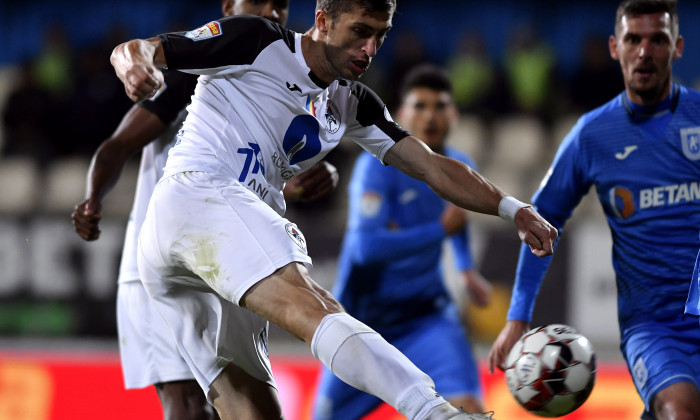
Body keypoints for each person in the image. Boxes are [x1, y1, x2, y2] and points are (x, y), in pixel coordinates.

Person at [111, 0, 558, 418]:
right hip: (198, 197)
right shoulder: (258, 41)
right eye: (360, 31)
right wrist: (137, 69)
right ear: (322, 21)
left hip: (196, 244)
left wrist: (513, 209)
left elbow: (433, 166)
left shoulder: (352, 102)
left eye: (380, 35)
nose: (369, 48)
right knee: (317, 307)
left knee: (251, 404)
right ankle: (432, 410)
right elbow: (135, 49)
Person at [72, 1, 337, 419]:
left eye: (282, 4)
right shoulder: (189, 76)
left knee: (233, 403)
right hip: (162, 258)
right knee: (191, 406)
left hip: (225, 265)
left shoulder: (278, 90)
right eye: (258, 1)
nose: (271, 10)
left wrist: (311, 179)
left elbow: (265, 169)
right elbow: (117, 145)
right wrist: (93, 197)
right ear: (229, 8)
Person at [488, 1, 700, 419]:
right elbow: (540, 220)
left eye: (657, 40)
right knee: (680, 410)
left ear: (676, 47)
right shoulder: (592, 135)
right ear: (614, 47)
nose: (645, 51)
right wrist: (518, 315)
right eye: (633, 39)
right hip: (655, 326)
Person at [313, 64, 492, 419]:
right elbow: (367, 249)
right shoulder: (376, 168)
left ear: (453, 114)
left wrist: (466, 268)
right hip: (364, 325)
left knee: (467, 411)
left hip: (427, 318)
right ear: (402, 113)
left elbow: (459, 220)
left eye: (440, 106)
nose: (431, 115)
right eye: (420, 106)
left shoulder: (461, 165)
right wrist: (437, 231)